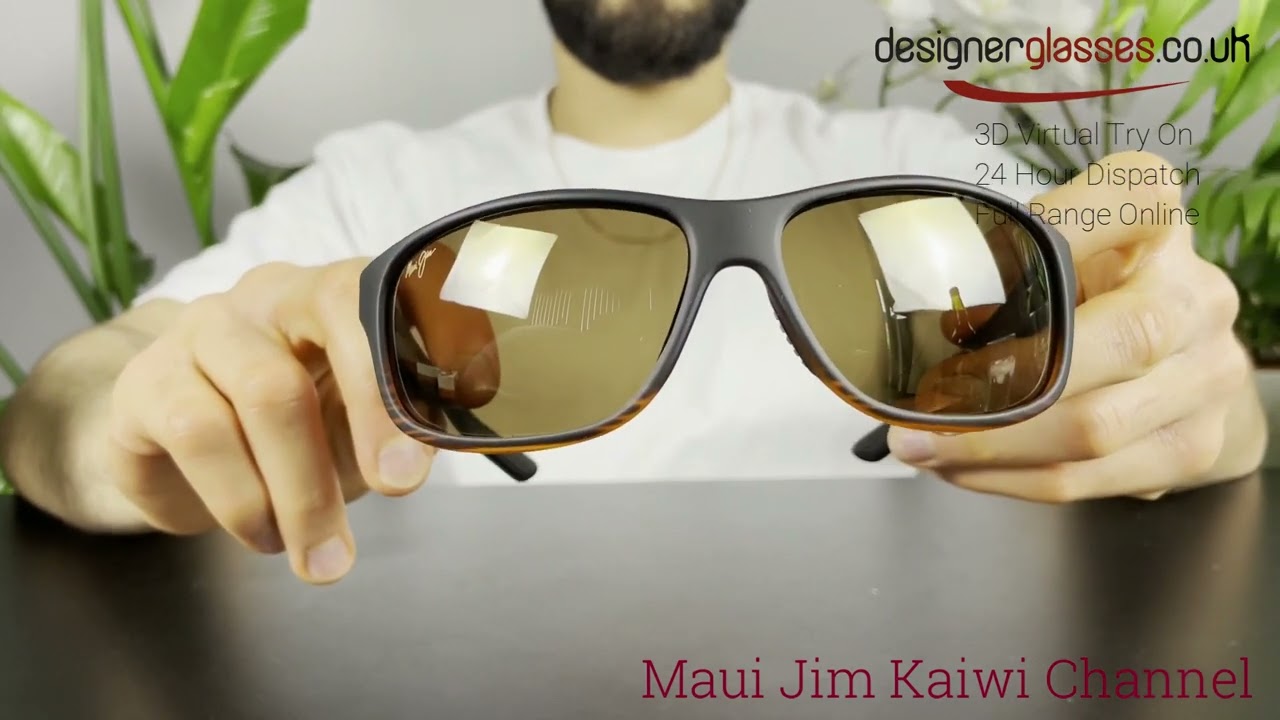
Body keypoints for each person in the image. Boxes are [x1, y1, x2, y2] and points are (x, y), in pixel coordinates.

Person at [0, 0, 1267, 584]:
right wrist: (122, 438)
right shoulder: (379, 191)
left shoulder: (926, 181)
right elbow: (69, 396)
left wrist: (1200, 410)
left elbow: (1175, 373)